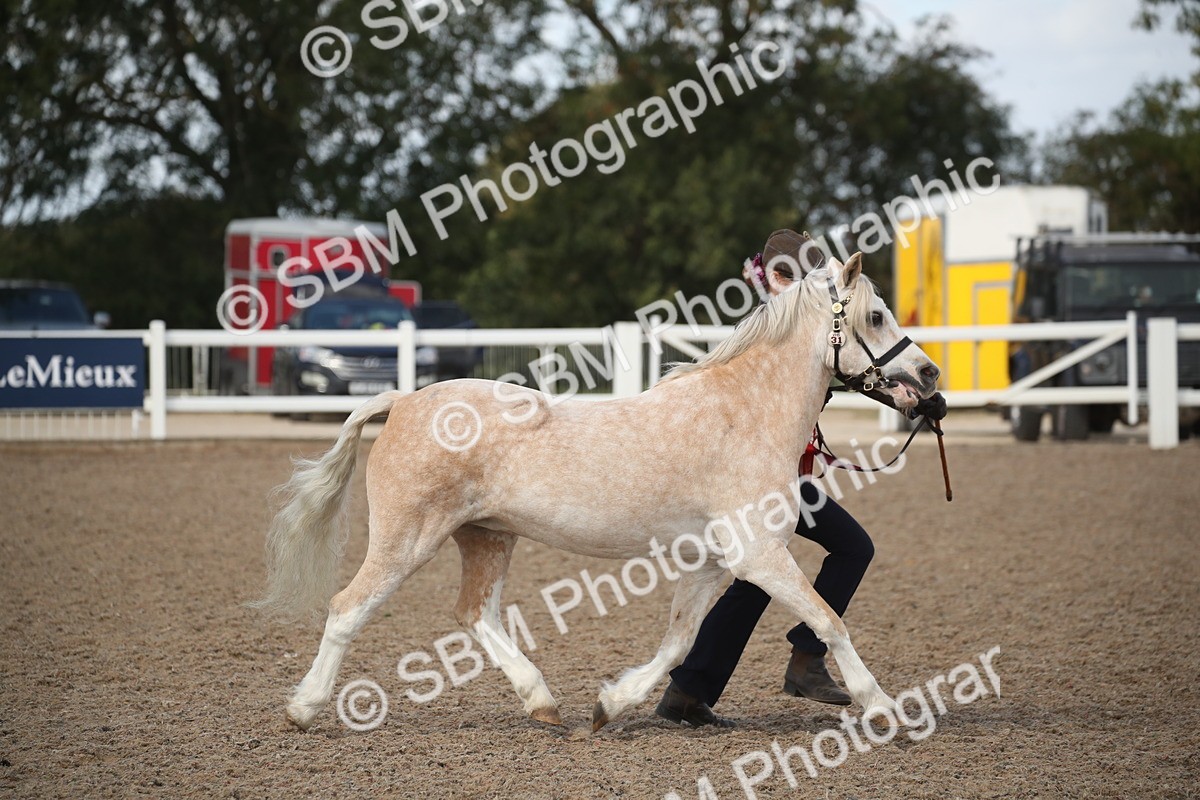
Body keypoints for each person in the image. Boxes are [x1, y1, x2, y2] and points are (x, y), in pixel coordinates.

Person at [655, 230, 947, 727]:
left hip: (781, 477)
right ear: (783, 279)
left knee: (792, 565)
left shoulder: (797, 322)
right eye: (804, 275)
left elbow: (849, 369)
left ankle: (699, 688)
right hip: (753, 479)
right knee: (796, 564)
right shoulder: (774, 328)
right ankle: (792, 663)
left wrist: (907, 394)